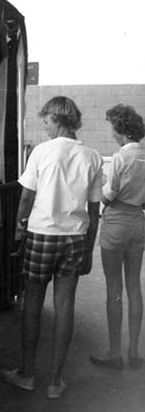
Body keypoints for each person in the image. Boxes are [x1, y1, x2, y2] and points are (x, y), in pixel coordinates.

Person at [3, 96, 102, 399]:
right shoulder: (93, 156)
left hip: (42, 234)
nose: (43, 125)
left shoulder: (41, 152)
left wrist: (19, 228)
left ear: (58, 119)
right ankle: (56, 381)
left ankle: (27, 373)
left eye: (46, 120)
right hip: (75, 237)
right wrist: (88, 247)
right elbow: (94, 209)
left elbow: (25, 199)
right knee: (65, 305)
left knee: (32, 303)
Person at [89, 104, 145, 370]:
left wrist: (99, 188)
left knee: (114, 288)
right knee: (134, 286)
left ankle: (114, 352)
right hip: (138, 222)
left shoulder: (120, 158)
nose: (110, 131)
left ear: (120, 130)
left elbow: (107, 197)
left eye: (112, 126)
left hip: (116, 222)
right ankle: (134, 350)